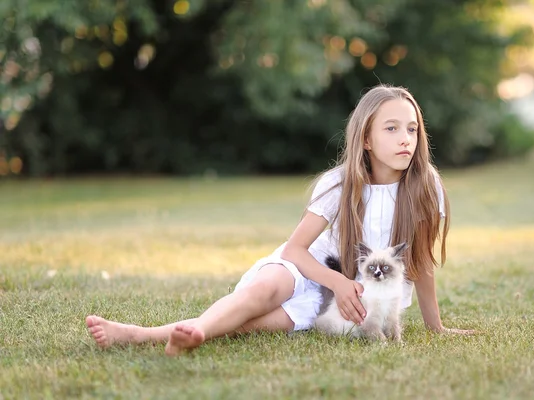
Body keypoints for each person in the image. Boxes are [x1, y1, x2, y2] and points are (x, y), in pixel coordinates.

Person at [85, 84, 474, 356]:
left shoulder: (426, 187)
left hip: (349, 303)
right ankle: (156, 333)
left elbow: (421, 265)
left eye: (411, 129)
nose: (405, 137)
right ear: (367, 139)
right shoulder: (340, 183)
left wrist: (435, 325)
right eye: (391, 128)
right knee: (259, 294)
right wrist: (338, 281)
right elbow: (296, 250)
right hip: (310, 270)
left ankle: (169, 336)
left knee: (250, 324)